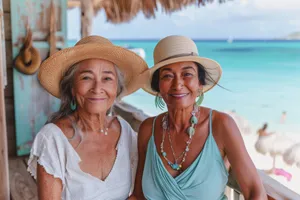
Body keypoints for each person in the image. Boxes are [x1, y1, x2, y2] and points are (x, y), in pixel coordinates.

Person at [131, 35, 267, 200]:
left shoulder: (221, 125)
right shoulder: (147, 130)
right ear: (158, 86)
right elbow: (138, 196)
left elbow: (255, 191)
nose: (178, 84)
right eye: (167, 76)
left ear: (200, 84)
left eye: (187, 74)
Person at [27, 35, 148, 200]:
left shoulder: (124, 130)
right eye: (86, 77)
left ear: (117, 89)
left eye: (107, 78)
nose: (97, 88)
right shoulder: (53, 139)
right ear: (71, 87)